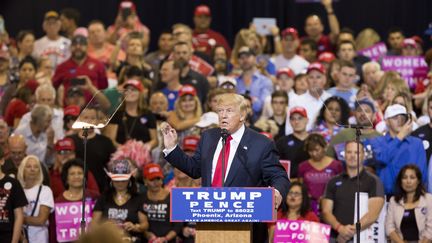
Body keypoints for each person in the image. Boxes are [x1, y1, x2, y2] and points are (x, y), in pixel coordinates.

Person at [161, 93, 290, 243]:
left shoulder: (261, 144)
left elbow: (279, 176)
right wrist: (172, 148)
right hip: (210, 224)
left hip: (249, 228)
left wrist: (277, 192)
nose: (223, 115)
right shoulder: (208, 137)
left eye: (229, 111)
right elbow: (195, 169)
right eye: (220, 111)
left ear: (242, 115)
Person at [321, 141, 385, 242]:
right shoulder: (333, 181)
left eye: (357, 153)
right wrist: (340, 228)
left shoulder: (374, 181)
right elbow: (325, 211)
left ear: (364, 155)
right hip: (335, 237)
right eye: (349, 152)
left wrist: (349, 232)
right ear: (344, 155)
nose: (352, 156)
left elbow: (373, 214)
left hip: (363, 238)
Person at [368, 104, 427, 195]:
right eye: (395, 117)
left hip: (411, 197)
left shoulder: (417, 143)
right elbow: (381, 158)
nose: (399, 120)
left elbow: (421, 174)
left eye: (402, 117)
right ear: (387, 121)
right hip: (385, 197)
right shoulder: (377, 141)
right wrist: (399, 137)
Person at [92, 159, 148, 243]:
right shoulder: (103, 198)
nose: (120, 183)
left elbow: (145, 225)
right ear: (111, 180)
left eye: (123, 180)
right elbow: (94, 224)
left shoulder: (138, 198)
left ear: (130, 180)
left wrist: (135, 227)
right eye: (117, 180)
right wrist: (104, 226)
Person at [52, 31, 109, 106]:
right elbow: (53, 88)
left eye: (81, 44)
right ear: (70, 47)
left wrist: (90, 87)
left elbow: (103, 89)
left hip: (93, 110)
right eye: (75, 45)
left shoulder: (98, 65)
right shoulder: (62, 67)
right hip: (69, 109)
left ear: (87, 47)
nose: (78, 47)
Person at [67, 106, 116, 192]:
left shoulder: (106, 142)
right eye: (85, 117)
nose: (89, 121)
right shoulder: (69, 140)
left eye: (92, 118)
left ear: (97, 121)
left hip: (101, 190)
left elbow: (112, 167)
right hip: (74, 190)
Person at [385, 164, 432, 242]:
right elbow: (389, 228)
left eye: (412, 178)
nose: (408, 181)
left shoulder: (428, 199)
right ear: (400, 181)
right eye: (404, 178)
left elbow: (430, 229)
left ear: (418, 181)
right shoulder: (393, 201)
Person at [105, 79, 158, 148]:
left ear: (140, 94)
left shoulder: (148, 114)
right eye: (127, 90)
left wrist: (146, 147)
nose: (129, 92)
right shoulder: (117, 114)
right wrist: (123, 150)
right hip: (120, 156)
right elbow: (111, 139)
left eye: (133, 90)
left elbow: (155, 140)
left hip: (142, 155)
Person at [298, 134, 343, 214]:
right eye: (310, 151)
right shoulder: (303, 166)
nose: (314, 154)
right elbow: (301, 188)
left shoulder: (336, 165)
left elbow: (341, 186)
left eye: (317, 150)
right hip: (310, 207)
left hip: (332, 206)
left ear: (324, 147)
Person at [17, 155, 54, 243]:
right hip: (21, 238)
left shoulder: (45, 190)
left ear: (40, 171)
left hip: (40, 239)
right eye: (28, 166)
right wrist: (22, 239)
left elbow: (41, 220)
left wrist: (18, 219)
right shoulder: (17, 191)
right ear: (22, 169)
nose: (32, 169)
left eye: (36, 166)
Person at [142, 163, 182, 243]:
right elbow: (139, 221)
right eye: (152, 179)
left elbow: (178, 224)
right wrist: (147, 234)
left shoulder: (173, 197)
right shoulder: (141, 198)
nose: (156, 182)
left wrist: (165, 239)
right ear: (145, 180)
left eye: (158, 178)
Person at [290, 62, 331, 131]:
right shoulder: (295, 101)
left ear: (324, 80)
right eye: (311, 77)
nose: (314, 81)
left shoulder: (331, 100)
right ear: (306, 80)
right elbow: (289, 129)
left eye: (318, 77)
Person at [235, 46, 273, 119]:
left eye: (248, 56)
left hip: (259, 123)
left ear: (255, 58)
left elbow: (262, 106)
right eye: (241, 57)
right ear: (238, 61)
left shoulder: (265, 81)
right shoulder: (235, 81)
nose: (245, 60)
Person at [0, 147, 27, 243]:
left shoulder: (13, 183)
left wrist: (14, 241)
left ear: (2, 161)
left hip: (7, 236)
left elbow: (19, 216)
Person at [276, 107, 310, 179]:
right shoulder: (282, 142)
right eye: (293, 119)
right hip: (290, 183)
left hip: (312, 182)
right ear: (290, 122)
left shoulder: (314, 140)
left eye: (300, 118)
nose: (296, 122)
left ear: (307, 120)